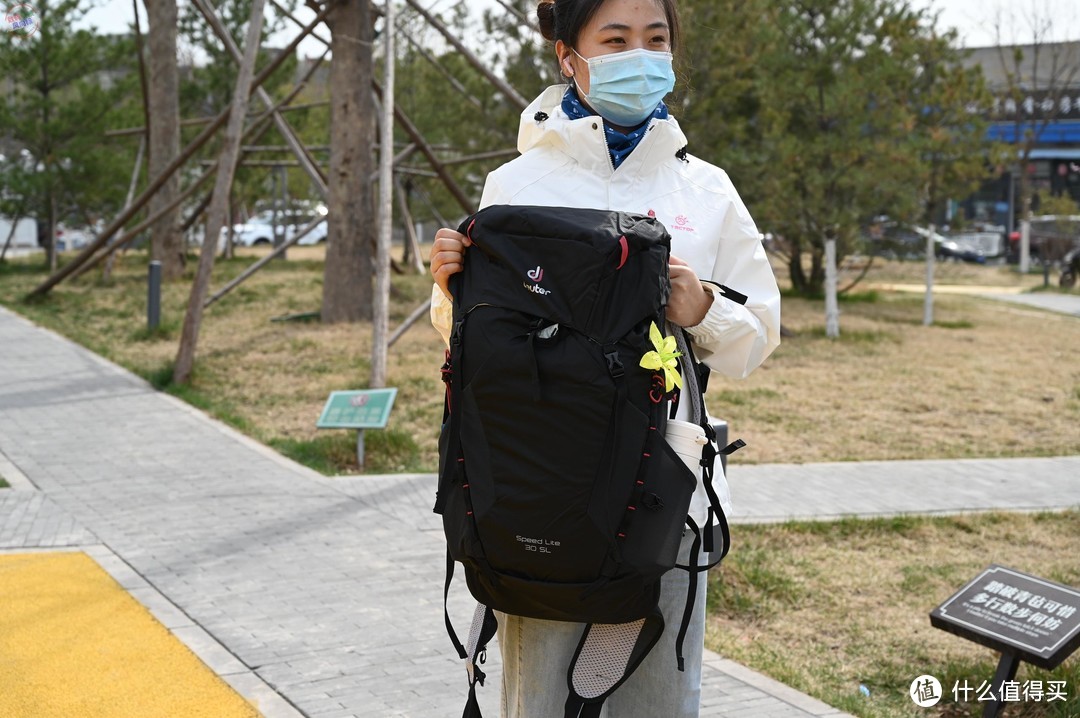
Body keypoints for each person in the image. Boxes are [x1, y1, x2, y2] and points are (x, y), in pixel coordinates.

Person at [429, 0, 782, 715]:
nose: (640, 57)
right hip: (540, 489)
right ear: (569, 56)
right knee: (541, 700)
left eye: (656, 40)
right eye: (614, 40)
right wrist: (449, 289)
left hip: (666, 493)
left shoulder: (704, 189)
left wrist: (704, 309)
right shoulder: (518, 184)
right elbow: (474, 350)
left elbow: (761, 333)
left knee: (659, 698)